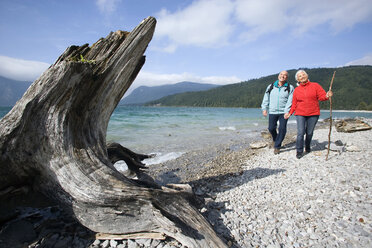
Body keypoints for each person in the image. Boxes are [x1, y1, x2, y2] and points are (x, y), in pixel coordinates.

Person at [284, 70, 333, 159]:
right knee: (300, 132)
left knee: (309, 132)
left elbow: (322, 97)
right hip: (300, 113)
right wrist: (290, 113)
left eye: (303, 75)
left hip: (313, 113)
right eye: (299, 76)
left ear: (307, 76)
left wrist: (327, 95)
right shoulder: (296, 90)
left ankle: (307, 146)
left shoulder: (315, 85)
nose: (302, 76)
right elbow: (294, 103)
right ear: (297, 80)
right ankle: (299, 151)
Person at [261, 70, 294, 154]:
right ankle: (275, 140)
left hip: (284, 112)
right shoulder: (271, 86)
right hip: (272, 111)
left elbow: (290, 101)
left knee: (282, 129)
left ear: (287, 77)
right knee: (271, 128)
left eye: (285, 75)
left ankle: (277, 146)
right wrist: (264, 108)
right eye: (281, 74)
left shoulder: (290, 87)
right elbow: (266, 97)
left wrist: (287, 111)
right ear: (278, 76)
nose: (282, 76)